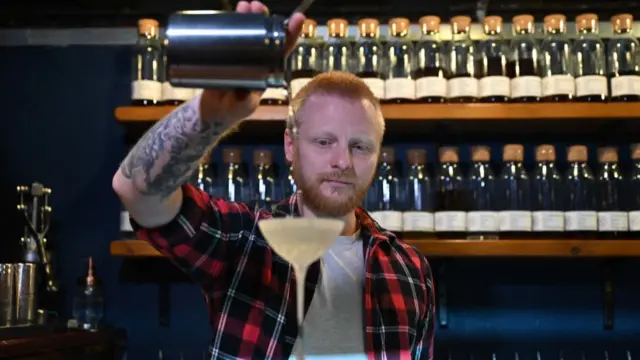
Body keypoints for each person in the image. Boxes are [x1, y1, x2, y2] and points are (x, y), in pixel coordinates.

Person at [113, 2, 435, 359]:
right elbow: (135, 189)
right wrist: (211, 114)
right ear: (290, 145)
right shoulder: (245, 241)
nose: (342, 161)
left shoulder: (409, 268)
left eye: (359, 146)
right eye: (324, 142)